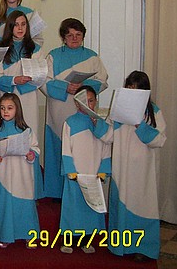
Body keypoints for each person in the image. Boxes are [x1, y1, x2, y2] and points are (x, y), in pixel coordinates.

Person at [96, 71, 166, 261]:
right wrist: (96, 122)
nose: (132, 91)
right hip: (121, 167)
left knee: (143, 206)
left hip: (142, 170)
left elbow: (159, 140)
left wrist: (139, 125)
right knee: (120, 204)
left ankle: (143, 248)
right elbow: (109, 136)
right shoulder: (118, 110)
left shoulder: (153, 111)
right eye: (129, 87)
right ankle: (119, 246)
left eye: (136, 88)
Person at [41, 18, 108, 199]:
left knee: (83, 149)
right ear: (63, 37)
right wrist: (66, 88)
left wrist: (83, 87)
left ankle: (83, 190)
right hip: (59, 111)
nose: (74, 38)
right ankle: (56, 193)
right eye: (70, 35)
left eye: (78, 35)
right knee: (58, 149)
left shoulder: (92, 57)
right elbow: (44, 81)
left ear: (83, 36)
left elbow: (103, 80)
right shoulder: (53, 56)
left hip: (84, 111)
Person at [59, 85, 111, 254]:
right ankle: (68, 241)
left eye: (91, 100)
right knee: (72, 208)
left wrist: (103, 170)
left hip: (94, 175)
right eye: (84, 101)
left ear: (96, 101)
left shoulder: (102, 124)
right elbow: (66, 149)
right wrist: (70, 170)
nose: (88, 104)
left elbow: (106, 148)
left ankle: (87, 241)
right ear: (76, 103)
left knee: (90, 209)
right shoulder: (70, 122)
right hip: (75, 175)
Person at [0, 93, 41, 248]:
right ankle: (4, 235)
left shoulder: (26, 131)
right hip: (2, 176)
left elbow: (35, 148)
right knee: (4, 205)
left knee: (24, 205)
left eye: (10, 108)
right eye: (2, 108)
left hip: (22, 175)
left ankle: (29, 235)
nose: (5, 111)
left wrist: (31, 154)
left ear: (17, 109)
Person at [0, 10, 44, 149]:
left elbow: (40, 76)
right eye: (16, 25)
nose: (20, 28)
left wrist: (25, 84)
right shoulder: (0, 49)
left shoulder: (35, 49)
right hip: (6, 99)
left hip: (28, 100)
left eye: (23, 24)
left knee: (29, 140)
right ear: (10, 27)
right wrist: (14, 80)